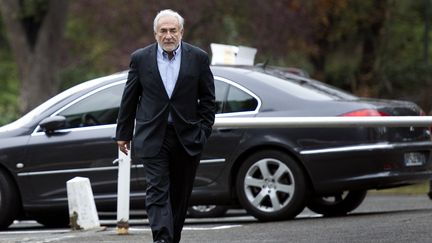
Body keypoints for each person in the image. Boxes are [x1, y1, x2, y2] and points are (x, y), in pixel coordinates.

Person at [115, 9, 215, 243]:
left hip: (187, 137)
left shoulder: (198, 58)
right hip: (152, 136)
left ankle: (171, 238)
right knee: (157, 191)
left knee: (179, 195)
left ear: (181, 32)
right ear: (155, 33)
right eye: (163, 31)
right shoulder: (141, 58)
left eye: (173, 30)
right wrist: (124, 133)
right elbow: (129, 98)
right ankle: (162, 239)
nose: (168, 35)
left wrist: (203, 131)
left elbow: (208, 100)